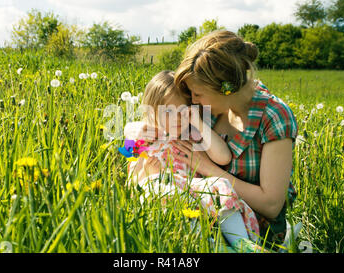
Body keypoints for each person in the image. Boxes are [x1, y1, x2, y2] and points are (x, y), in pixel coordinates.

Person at [128, 30, 298, 249]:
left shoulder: (273, 116)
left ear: (226, 89)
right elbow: (145, 144)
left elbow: (272, 205)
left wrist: (208, 169)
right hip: (199, 210)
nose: (193, 102)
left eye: (197, 94)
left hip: (256, 230)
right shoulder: (204, 112)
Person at [125, 70, 261, 249]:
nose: (177, 118)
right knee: (167, 197)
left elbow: (223, 156)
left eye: (183, 110)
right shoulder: (142, 139)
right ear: (152, 112)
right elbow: (129, 185)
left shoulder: (193, 134)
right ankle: (212, 246)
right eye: (167, 112)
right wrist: (147, 173)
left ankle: (243, 244)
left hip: (192, 193)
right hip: (160, 196)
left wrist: (197, 122)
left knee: (222, 186)